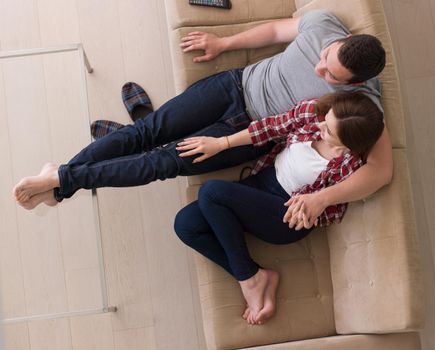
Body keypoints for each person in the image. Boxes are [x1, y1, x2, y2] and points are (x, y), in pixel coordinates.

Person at [12, 10, 391, 229]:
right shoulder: (325, 25)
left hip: (249, 133)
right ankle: (59, 183)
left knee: (159, 162)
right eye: (326, 55)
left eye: (329, 75)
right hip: (233, 86)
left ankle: (61, 178)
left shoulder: (362, 104)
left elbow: (380, 171)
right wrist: (224, 43)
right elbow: (278, 30)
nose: (319, 65)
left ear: (353, 83)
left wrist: (324, 199)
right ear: (340, 40)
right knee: (148, 132)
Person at [173, 91, 385, 326]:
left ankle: (247, 281)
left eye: (329, 130)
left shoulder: (351, 166)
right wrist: (222, 143)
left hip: (285, 215)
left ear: (348, 145)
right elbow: (271, 127)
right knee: (186, 225)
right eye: (327, 118)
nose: (321, 125)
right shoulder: (314, 112)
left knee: (211, 192)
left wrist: (316, 203)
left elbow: (340, 200)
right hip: (261, 182)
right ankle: (256, 274)